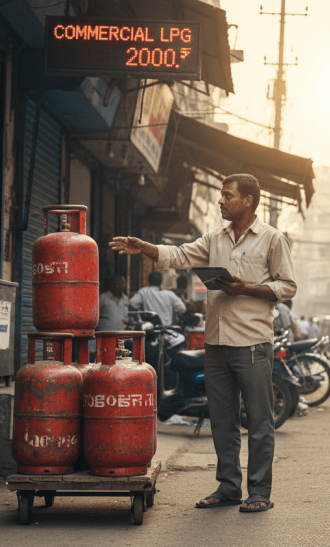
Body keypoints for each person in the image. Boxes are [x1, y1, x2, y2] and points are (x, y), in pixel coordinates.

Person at [110, 173, 296, 513]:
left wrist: (246, 289)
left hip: (253, 343)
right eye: (221, 195)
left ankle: (259, 492)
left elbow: (287, 286)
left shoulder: (272, 239)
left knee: (258, 421)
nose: (221, 201)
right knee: (222, 421)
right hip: (216, 344)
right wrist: (145, 248)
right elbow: (180, 255)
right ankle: (228, 487)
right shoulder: (215, 238)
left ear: (248, 201)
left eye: (227, 195)